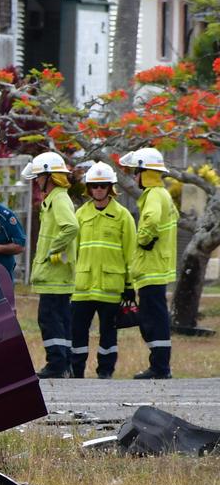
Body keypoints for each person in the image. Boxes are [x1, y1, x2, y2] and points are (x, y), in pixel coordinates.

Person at [69, 162, 135, 379]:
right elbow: (74, 251)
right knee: (78, 332)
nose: (98, 189)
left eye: (103, 185)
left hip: (111, 287)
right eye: (95, 186)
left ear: (110, 187)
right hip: (83, 287)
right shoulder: (80, 215)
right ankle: (76, 371)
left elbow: (130, 254)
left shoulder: (123, 216)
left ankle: (105, 372)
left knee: (108, 333)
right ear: (89, 188)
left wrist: (130, 286)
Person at [119, 147, 178, 379]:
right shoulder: (163, 195)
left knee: (153, 318)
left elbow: (151, 221)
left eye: (137, 171)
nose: (134, 177)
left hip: (152, 268)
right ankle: (159, 365)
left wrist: (143, 239)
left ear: (146, 172)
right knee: (154, 316)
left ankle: (160, 367)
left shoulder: (154, 195)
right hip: (156, 268)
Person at [22, 151, 78, 379]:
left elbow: (71, 227)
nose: (36, 181)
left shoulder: (59, 199)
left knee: (49, 318)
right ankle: (63, 363)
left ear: (49, 176)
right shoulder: (54, 200)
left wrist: (52, 250)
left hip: (55, 275)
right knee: (60, 319)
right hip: (56, 275)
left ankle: (56, 364)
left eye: (39, 177)